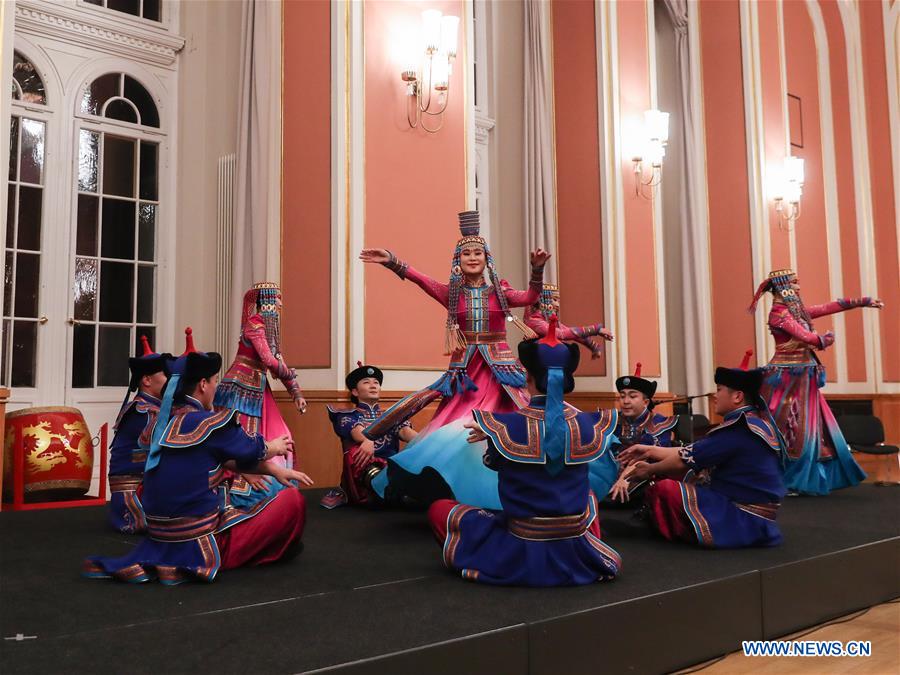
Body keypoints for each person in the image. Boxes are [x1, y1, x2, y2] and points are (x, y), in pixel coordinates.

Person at [83, 330, 313, 585]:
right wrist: (274, 446)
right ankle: (262, 551)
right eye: (215, 380)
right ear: (203, 384)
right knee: (291, 501)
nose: (217, 387)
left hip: (159, 535)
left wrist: (273, 470)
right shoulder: (209, 422)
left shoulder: (161, 420)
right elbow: (252, 448)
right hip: (199, 541)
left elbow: (206, 457)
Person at [358, 210, 550, 508]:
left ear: (486, 259)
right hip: (465, 376)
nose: (472, 258)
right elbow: (421, 280)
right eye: (466, 254)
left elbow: (528, 298)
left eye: (477, 253)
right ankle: (461, 489)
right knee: (454, 431)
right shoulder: (451, 294)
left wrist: (536, 270)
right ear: (458, 261)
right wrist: (393, 262)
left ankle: (518, 487)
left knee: (513, 424)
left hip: (500, 374)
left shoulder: (500, 292)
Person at [427, 317, 621, 586]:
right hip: (573, 544)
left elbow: (495, 464)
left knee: (440, 509)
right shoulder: (591, 423)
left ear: (527, 377)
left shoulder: (502, 426)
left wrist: (494, 436)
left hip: (520, 545)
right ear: (567, 378)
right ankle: (584, 547)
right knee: (587, 496)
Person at [618, 351, 786, 549]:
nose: (715, 395)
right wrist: (648, 451)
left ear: (738, 397)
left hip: (743, 519)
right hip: (759, 517)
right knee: (684, 476)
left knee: (665, 488)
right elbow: (689, 451)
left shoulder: (737, 429)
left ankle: (675, 530)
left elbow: (684, 460)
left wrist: (650, 470)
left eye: (720, 389)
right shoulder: (752, 423)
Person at [750, 269, 882, 495]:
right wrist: (825, 339)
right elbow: (806, 337)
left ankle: (803, 476)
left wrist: (861, 302)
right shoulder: (779, 314)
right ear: (783, 287)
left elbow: (827, 307)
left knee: (811, 426)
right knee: (791, 425)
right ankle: (784, 477)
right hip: (787, 379)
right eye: (794, 283)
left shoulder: (795, 312)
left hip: (803, 376)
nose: (798, 287)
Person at [215, 282, 308, 507]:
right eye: (277, 298)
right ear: (266, 300)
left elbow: (276, 360)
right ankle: (244, 485)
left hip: (257, 387)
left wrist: (295, 391)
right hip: (241, 387)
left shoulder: (267, 326)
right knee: (242, 432)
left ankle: (273, 487)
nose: (280, 303)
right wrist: (290, 374)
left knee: (278, 433)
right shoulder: (255, 325)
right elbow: (269, 360)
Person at [321, 362, 418, 508]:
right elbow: (356, 431)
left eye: (376, 383)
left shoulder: (390, 415)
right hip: (363, 472)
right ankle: (393, 492)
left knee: (417, 450)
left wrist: (428, 441)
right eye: (366, 382)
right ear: (355, 391)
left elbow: (405, 432)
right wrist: (367, 440)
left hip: (391, 467)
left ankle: (398, 490)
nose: (373, 385)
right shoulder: (345, 415)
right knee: (354, 453)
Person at [107, 336, 173, 534]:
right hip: (134, 496)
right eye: (166, 376)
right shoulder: (141, 410)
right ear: (146, 380)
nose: (171, 381)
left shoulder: (154, 407)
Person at [594, 363, 678, 505]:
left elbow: (649, 456)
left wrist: (624, 478)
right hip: (609, 472)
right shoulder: (612, 419)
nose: (626, 401)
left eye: (632, 397)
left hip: (642, 476)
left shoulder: (658, 423)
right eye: (622, 396)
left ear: (645, 402)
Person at [523, 282, 614, 359]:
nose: (557, 305)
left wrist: (592, 344)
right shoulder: (534, 321)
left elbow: (569, 332)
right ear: (542, 300)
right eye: (554, 300)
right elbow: (561, 334)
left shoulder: (545, 320)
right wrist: (596, 329)